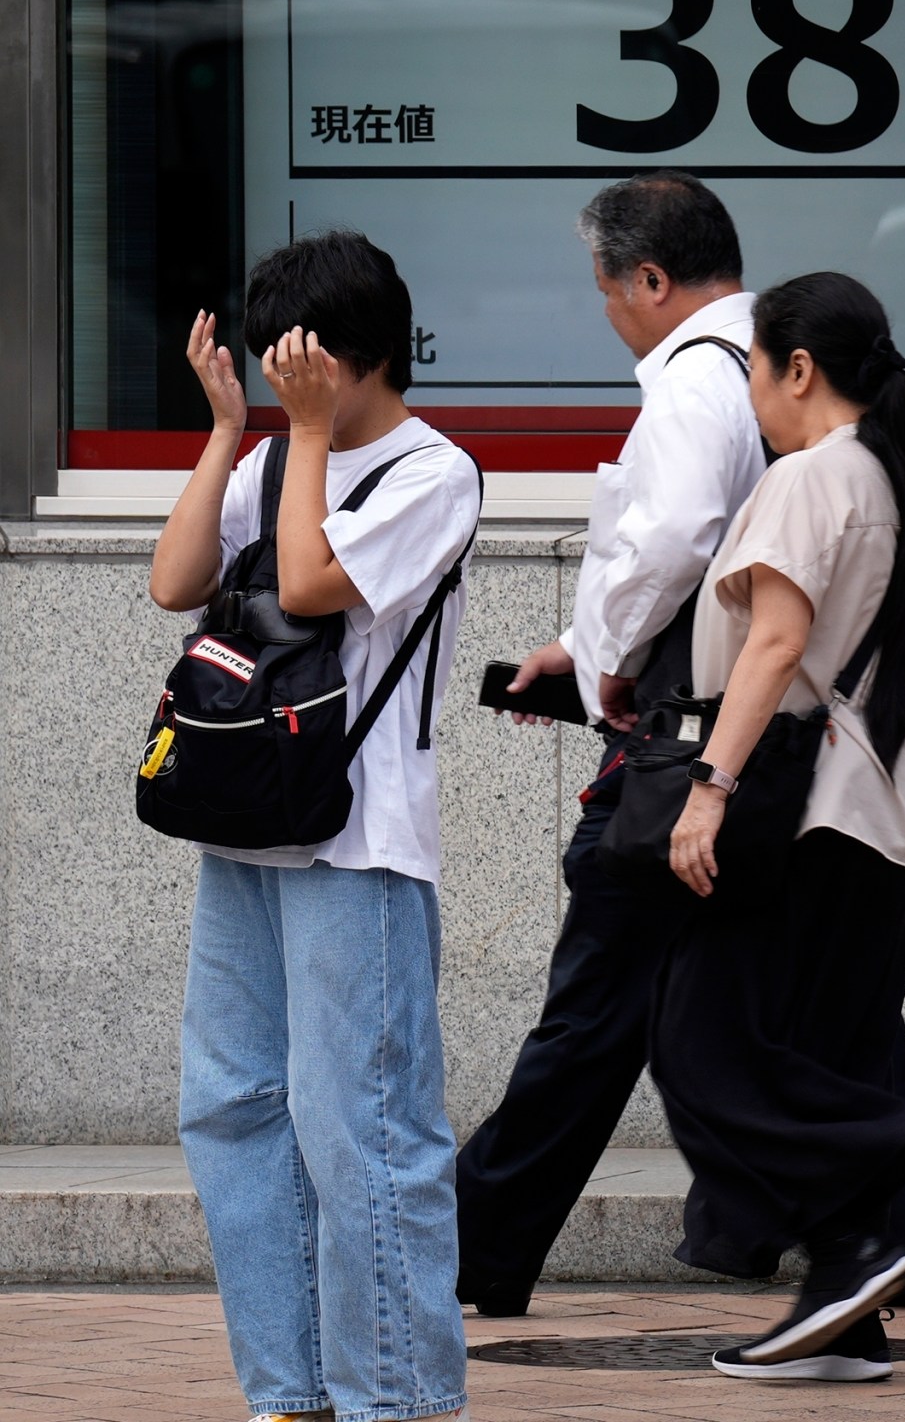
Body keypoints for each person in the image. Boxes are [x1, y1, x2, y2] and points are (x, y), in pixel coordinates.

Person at [454, 171, 905, 1317]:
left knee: (659, 1027)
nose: (608, 312)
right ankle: (885, 1246)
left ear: (648, 279)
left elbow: (746, 613)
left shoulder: (738, 414)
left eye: (607, 290)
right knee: (804, 1023)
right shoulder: (891, 471)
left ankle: (844, 1241)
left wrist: (629, 697)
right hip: (850, 798)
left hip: (734, 767)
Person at [149, 232, 481, 1422]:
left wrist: (298, 439)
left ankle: (394, 1399)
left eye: (303, 359)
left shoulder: (435, 474)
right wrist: (232, 431)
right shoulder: (277, 449)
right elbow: (175, 581)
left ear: (363, 355)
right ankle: (290, 1394)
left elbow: (303, 585)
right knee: (231, 1105)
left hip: (359, 844)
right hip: (245, 827)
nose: (287, 373)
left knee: (365, 1130)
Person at [652, 271, 905, 1383]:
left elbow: (775, 648)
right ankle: (849, 1295)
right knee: (824, 1046)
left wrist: (710, 788)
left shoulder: (812, 478)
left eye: (751, 374)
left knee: (700, 1038)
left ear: (795, 368)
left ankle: (872, 1221)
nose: (749, 401)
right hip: (887, 820)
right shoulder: (901, 484)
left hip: (806, 811)